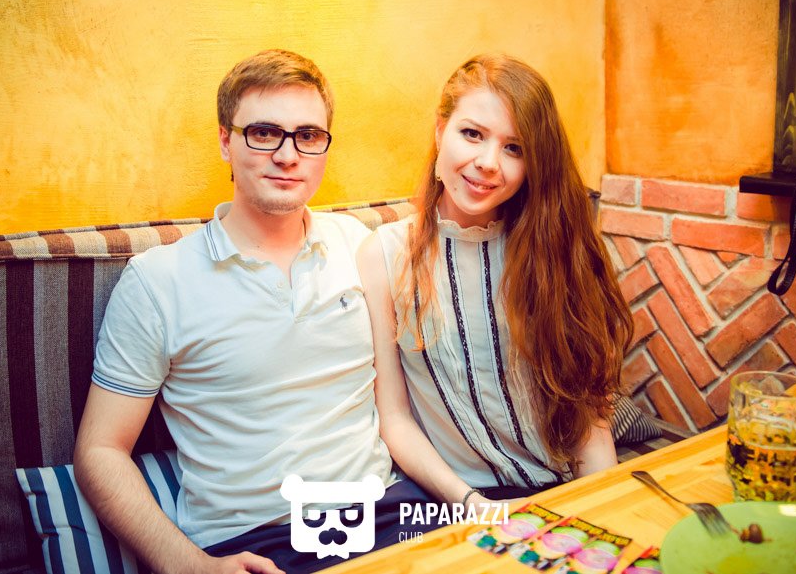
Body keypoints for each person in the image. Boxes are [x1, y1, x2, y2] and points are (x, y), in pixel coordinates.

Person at [74, 49, 432, 574]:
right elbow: (100, 451)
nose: (287, 155)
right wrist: (191, 565)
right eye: (264, 133)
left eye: (307, 135)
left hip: (390, 513)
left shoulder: (358, 245)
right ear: (225, 141)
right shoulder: (157, 281)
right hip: (259, 542)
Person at [357, 54, 633, 511]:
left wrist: (603, 505)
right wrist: (470, 503)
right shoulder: (383, 255)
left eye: (514, 148)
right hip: (459, 499)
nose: (488, 163)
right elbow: (395, 418)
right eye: (472, 134)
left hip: (563, 488)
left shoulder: (553, 244)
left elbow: (588, 412)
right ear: (440, 131)